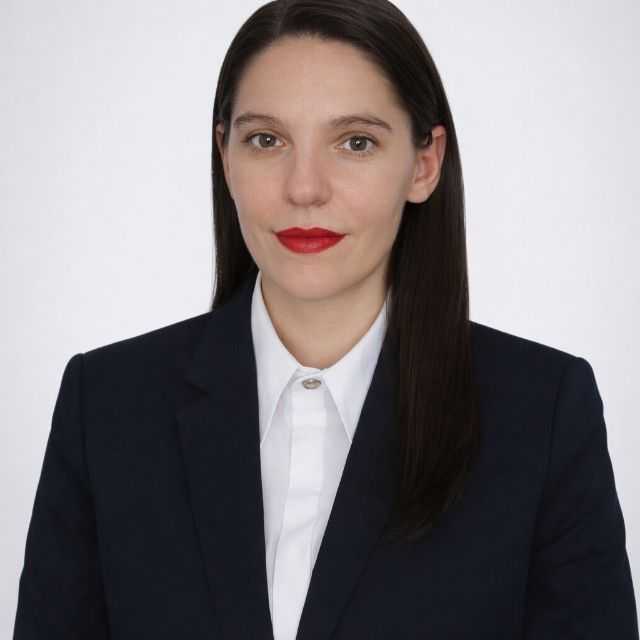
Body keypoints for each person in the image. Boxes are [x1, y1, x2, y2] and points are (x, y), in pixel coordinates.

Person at [13, 0, 639, 638]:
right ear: (225, 155)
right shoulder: (108, 405)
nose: (304, 188)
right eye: (266, 140)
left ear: (424, 164)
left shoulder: (541, 414)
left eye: (355, 142)